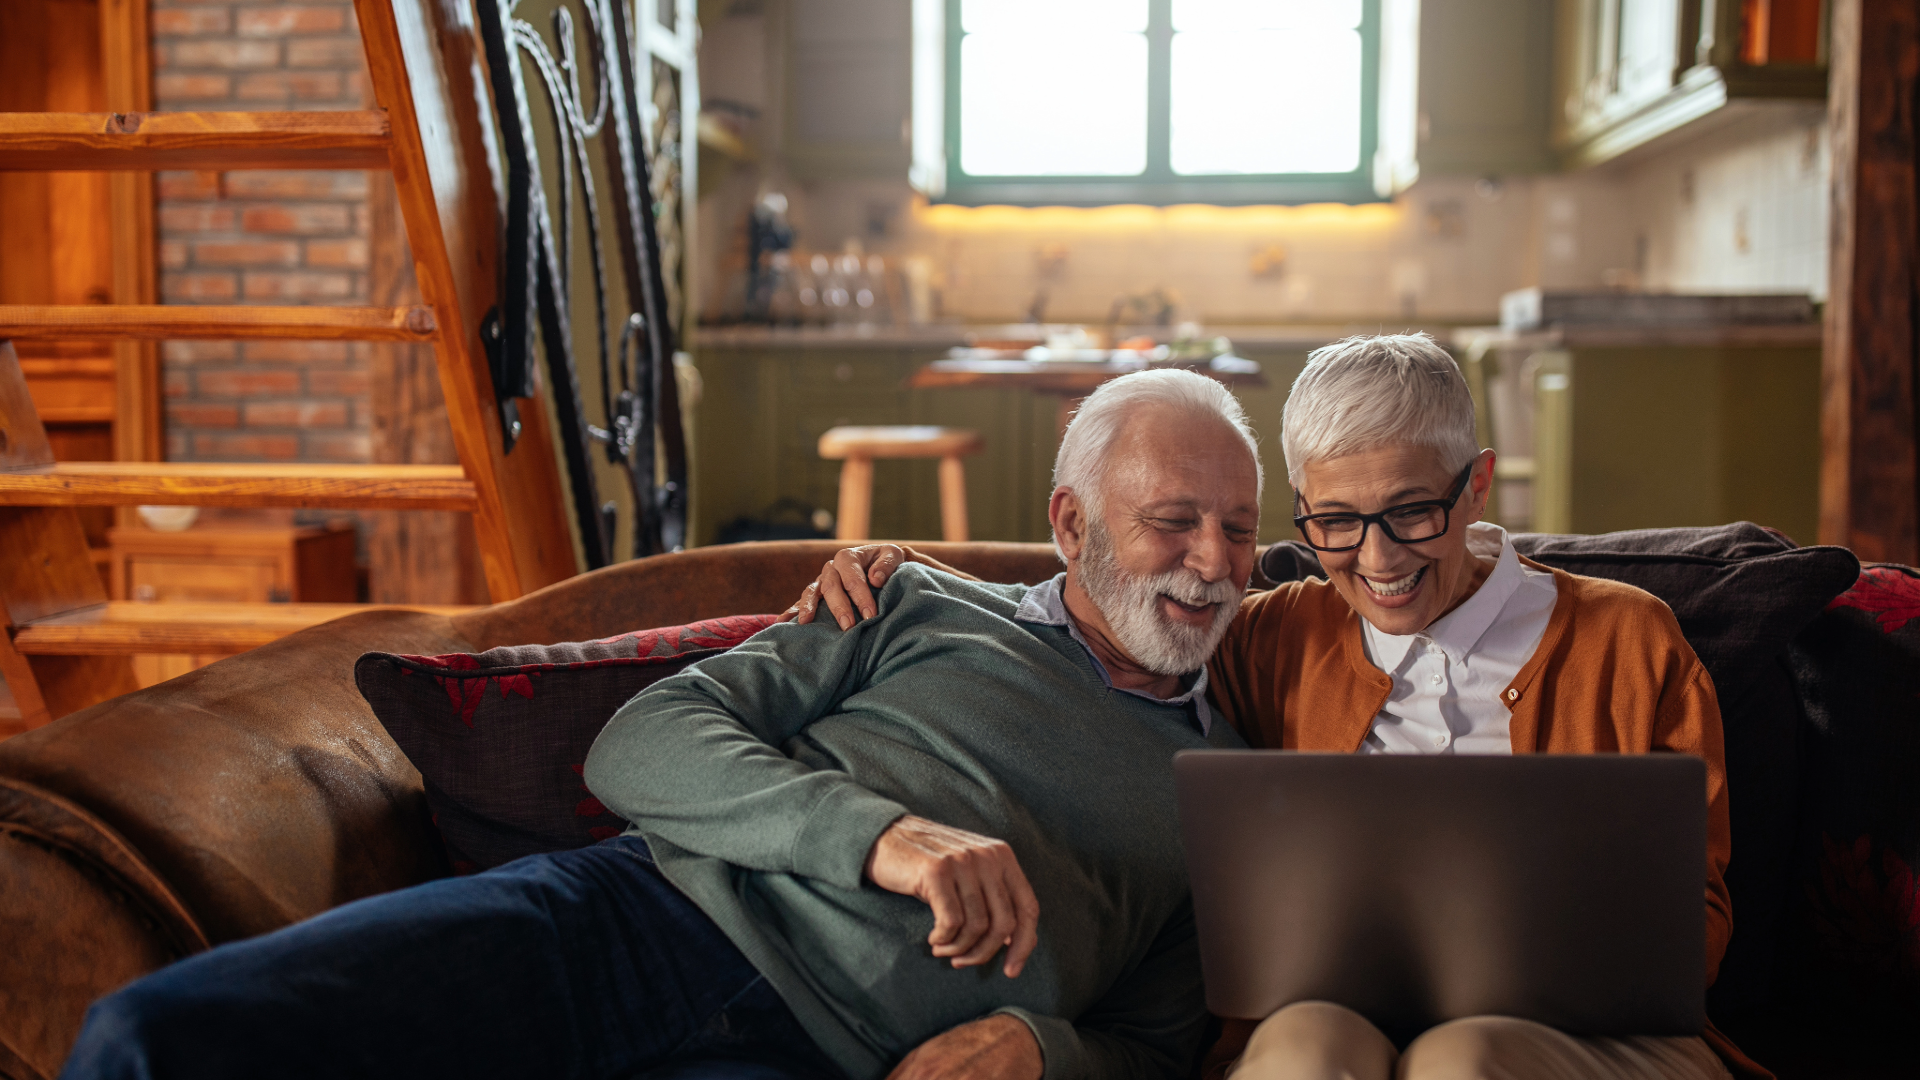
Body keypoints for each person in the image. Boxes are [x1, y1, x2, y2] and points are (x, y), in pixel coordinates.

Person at [59, 368, 1259, 1080]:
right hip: (632, 921)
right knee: (155, 1040)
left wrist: (1049, 1054)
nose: (1213, 563)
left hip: (823, 1058)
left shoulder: (1229, 790)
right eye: (1174, 521)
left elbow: (1158, 1042)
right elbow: (641, 744)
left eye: (1242, 530)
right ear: (1069, 523)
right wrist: (881, 833)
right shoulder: (909, 599)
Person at [789, 334, 1762, 1080]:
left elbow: (1697, 919)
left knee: (1462, 1060)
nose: (1377, 562)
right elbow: (1116, 614)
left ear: (1476, 488)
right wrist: (911, 575)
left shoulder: (1629, 639)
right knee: (1297, 1051)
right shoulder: (1271, 633)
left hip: (1591, 1035)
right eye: (1336, 522)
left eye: (1413, 512)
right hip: (1338, 1013)